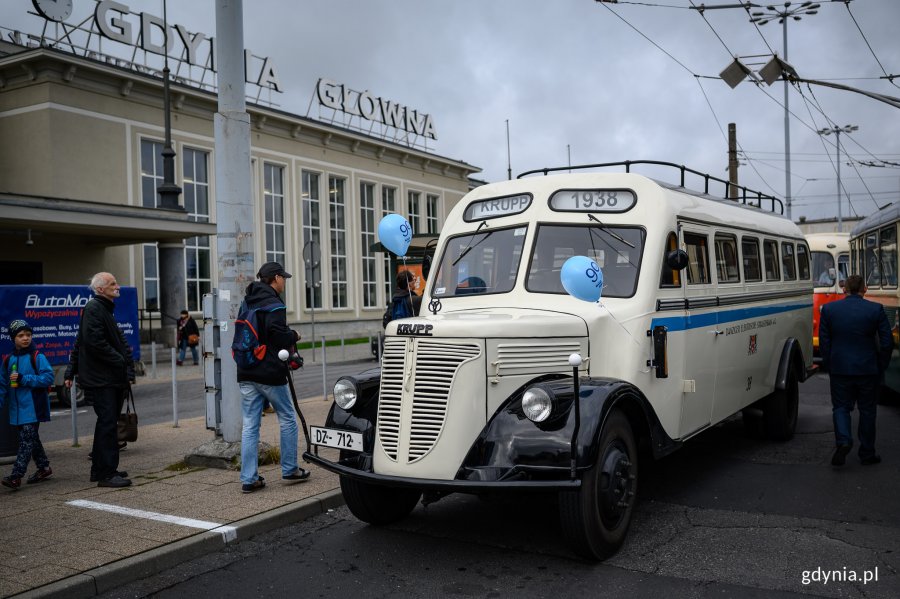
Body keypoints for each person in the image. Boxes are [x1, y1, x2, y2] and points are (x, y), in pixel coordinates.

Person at [237, 261, 310, 493]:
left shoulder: (247, 301)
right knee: (288, 417)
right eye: (283, 278)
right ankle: (290, 469)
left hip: (246, 369)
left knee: (250, 425)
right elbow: (278, 337)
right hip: (268, 371)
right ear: (276, 278)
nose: (285, 282)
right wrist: (294, 335)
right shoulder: (274, 304)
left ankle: (249, 479)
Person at [65, 272, 135, 487]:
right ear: (101, 289)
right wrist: (120, 360)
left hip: (107, 377)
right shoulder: (95, 308)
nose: (118, 286)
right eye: (113, 283)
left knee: (106, 423)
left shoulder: (102, 309)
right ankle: (106, 474)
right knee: (107, 425)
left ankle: (100, 469)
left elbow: (80, 341)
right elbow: (93, 343)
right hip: (102, 379)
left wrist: (70, 370)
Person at [819, 274, 892, 467]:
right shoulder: (875, 309)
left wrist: (830, 364)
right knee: (868, 410)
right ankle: (867, 453)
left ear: (844, 289)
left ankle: (844, 440)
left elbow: (825, 342)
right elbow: (887, 342)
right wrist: (880, 365)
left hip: (840, 368)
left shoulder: (829, 309)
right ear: (865, 289)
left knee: (841, 407)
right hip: (868, 369)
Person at [0, 320, 55, 490]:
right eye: (20, 335)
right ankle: (44, 468)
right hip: (16, 410)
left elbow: (48, 378)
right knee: (32, 440)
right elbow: (2, 384)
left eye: (28, 335)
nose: (25, 338)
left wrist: (25, 379)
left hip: (33, 408)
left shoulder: (37, 356)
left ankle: (16, 477)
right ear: (13, 338)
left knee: (25, 442)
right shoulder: (8, 360)